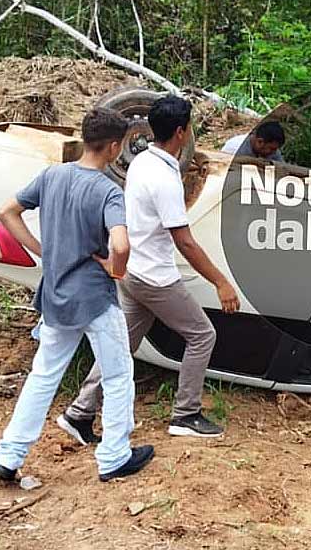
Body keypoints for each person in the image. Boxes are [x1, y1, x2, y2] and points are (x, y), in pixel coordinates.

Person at [59, 95, 240, 443]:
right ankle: (186, 414)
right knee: (203, 336)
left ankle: (79, 412)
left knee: (122, 344)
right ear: (181, 132)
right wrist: (220, 282)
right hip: (154, 277)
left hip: (130, 270)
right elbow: (184, 241)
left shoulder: (141, 160)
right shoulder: (164, 178)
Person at [0, 109, 153, 483]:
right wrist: (117, 268)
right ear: (115, 147)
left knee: (43, 374)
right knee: (117, 374)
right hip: (93, 297)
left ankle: (10, 454)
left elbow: (6, 212)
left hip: (56, 292)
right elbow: (121, 242)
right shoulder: (108, 190)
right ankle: (114, 456)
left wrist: (43, 250)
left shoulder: (53, 175)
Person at [220, 120, 285, 161]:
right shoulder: (235, 148)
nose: (274, 152)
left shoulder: (273, 152)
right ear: (260, 142)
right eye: (271, 149)